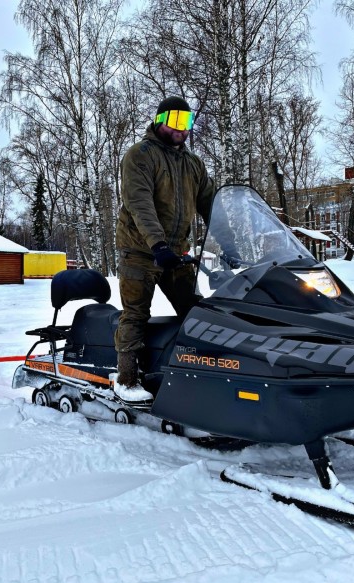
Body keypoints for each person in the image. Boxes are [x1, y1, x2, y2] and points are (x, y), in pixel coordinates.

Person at [114, 96, 216, 405]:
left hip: (176, 254)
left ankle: (197, 373)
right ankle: (126, 380)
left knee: (194, 311)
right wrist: (157, 244)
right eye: (174, 121)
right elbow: (139, 203)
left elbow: (211, 203)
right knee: (136, 314)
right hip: (140, 251)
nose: (181, 129)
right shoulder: (140, 156)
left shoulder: (192, 164)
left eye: (186, 123)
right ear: (160, 120)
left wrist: (236, 240)